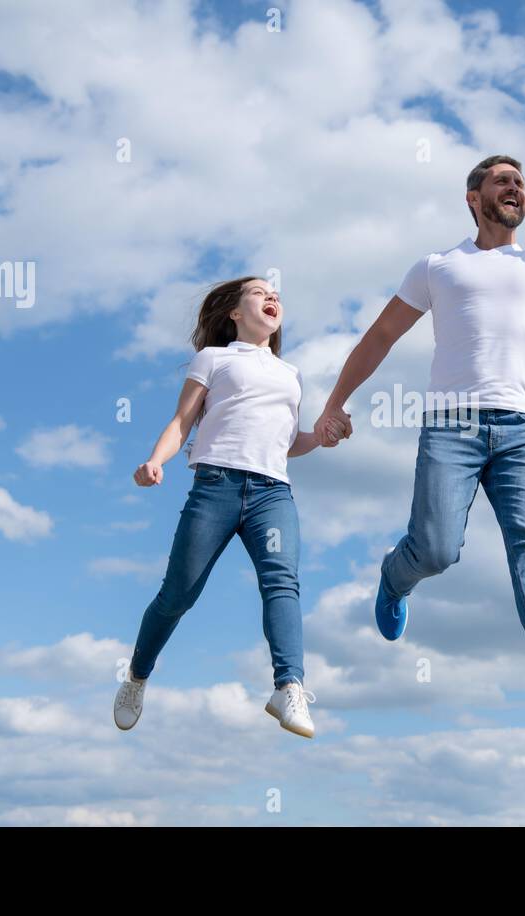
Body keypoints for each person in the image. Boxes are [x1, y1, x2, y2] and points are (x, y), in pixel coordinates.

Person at [316, 102, 525, 721]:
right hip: (452, 427)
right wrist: (335, 405)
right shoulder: (439, 266)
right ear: (473, 197)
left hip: (522, 428)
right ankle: (395, 576)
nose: (514, 186)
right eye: (501, 179)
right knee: (438, 549)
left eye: (520, 181)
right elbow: (381, 336)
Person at [114, 276, 350, 738]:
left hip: (272, 493)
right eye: (260, 293)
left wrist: (321, 438)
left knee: (282, 583)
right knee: (177, 595)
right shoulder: (214, 359)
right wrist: (154, 462)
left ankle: (289, 686)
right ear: (235, 314)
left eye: (277, 294)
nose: (272, 297)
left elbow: (286, 443)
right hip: (216, 486)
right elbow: (183, 421)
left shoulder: (291, 373)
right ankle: (138, 675)